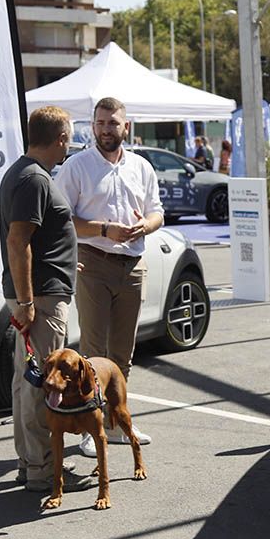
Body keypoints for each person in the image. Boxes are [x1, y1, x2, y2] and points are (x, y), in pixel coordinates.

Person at [54, 96, 164, 456]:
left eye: (112, 123)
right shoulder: (77, 166)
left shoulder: (141, 167)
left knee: (122, 352)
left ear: (125, 126)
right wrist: (104, 229)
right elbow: (63, 219)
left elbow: (157, 214)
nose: (105, 130)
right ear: (92, 126)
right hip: (93, 262)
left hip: (132, 264)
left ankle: (115, 421)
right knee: (93, 351)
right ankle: (91, 426)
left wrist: (143, 226)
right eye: (99, 123)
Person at [0, 106, 94, 494]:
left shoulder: (23, 173)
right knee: (45, 384)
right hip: (38, 296)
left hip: (40, 288)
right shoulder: (34, 179)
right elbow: (17, 241)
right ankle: (42, 469)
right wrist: (26, 300)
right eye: (68, 138)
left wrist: (67, 264)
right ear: (59, 138)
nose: (69, 145)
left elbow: (37, 239)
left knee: (29, 382)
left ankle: (32, 464)